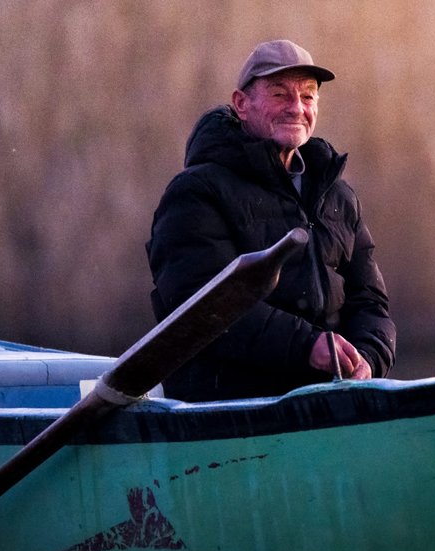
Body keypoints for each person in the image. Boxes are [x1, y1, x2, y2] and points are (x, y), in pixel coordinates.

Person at [146, 39, 395, 401]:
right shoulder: (195, 193)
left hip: (331, 405)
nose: (297, 108)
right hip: (228, 411)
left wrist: (368, 360)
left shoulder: (339, 197)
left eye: (307, 97)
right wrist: (307, 346)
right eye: (280, 94)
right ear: (241, 104)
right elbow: (202, 307)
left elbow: (370, 303)